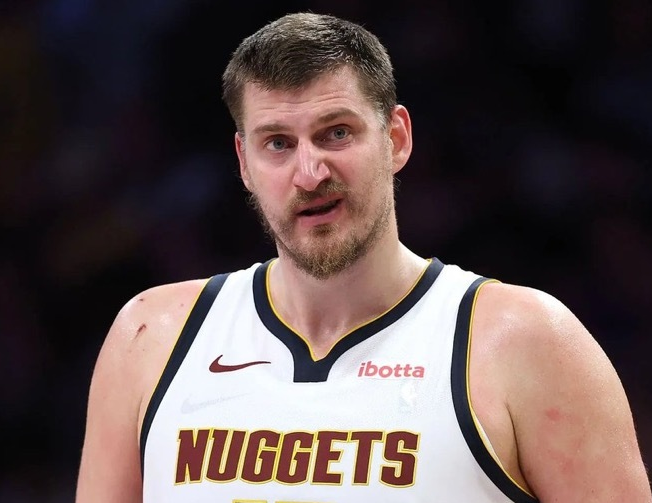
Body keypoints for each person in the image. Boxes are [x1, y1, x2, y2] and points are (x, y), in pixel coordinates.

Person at [75, 11, 652, 503]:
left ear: (396, 138)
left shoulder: (527, 342)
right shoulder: (150, 338)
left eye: (336, 133)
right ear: (244, 162)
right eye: (278, 143)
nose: (310, 173)